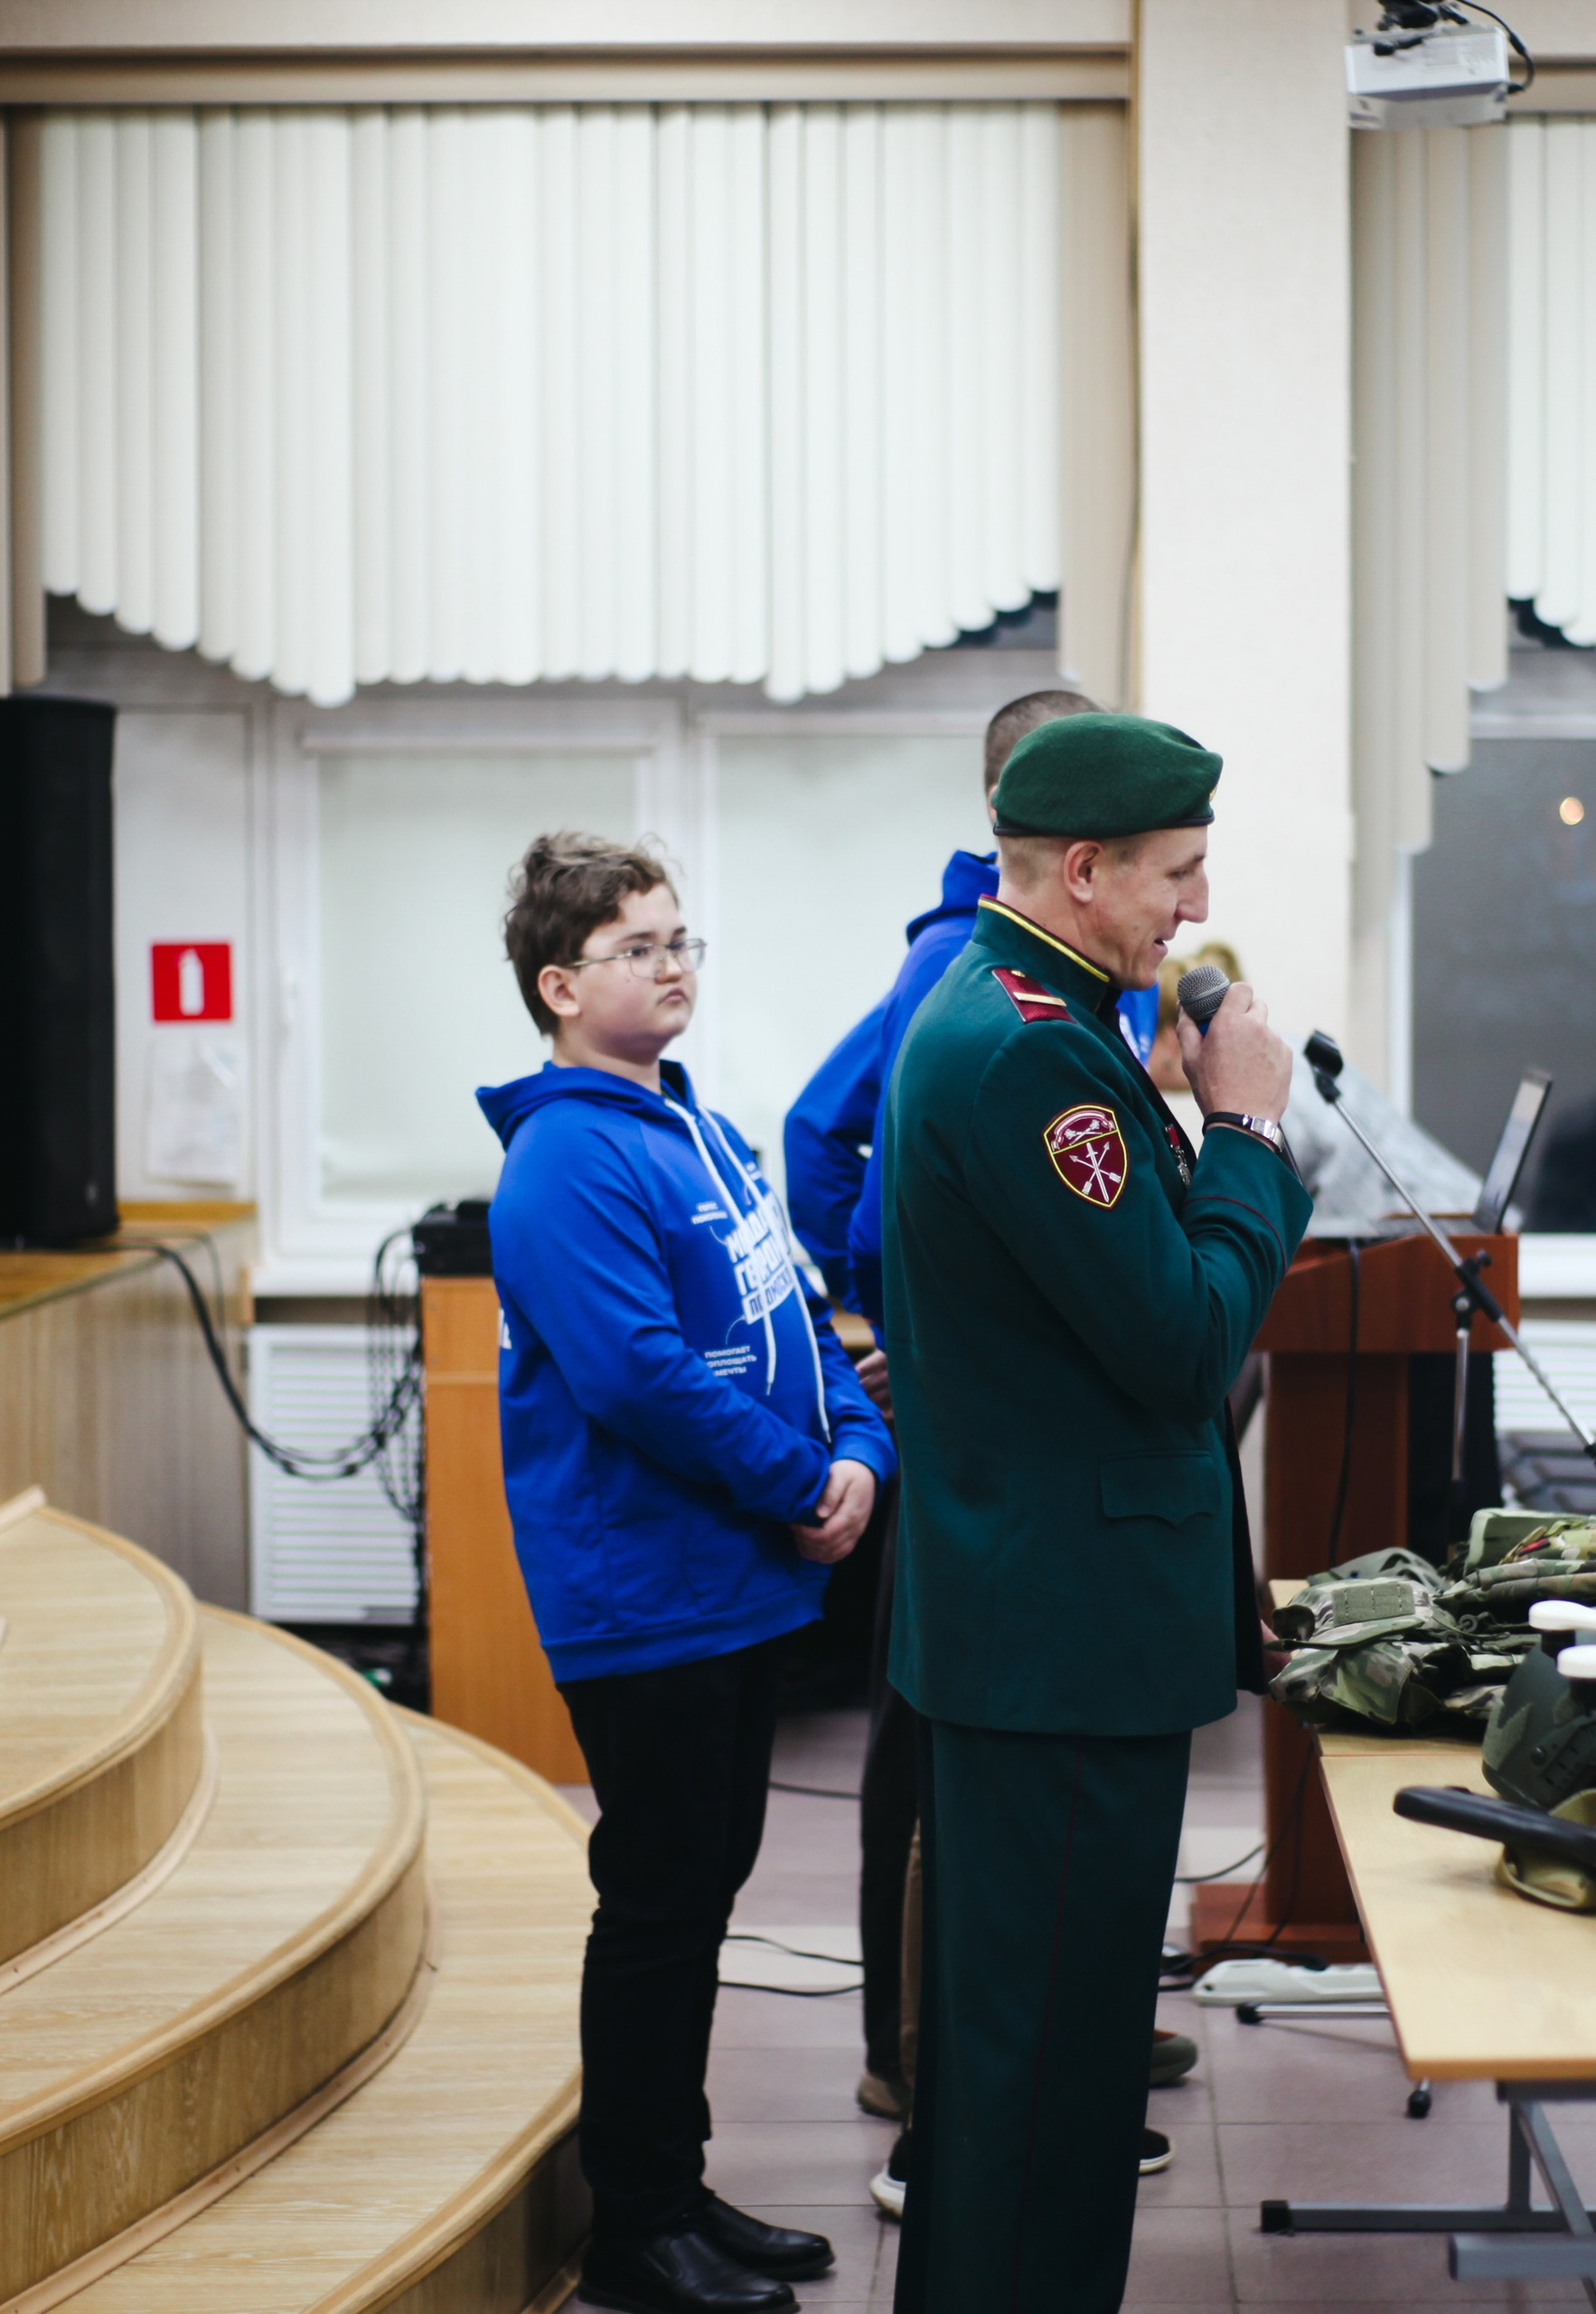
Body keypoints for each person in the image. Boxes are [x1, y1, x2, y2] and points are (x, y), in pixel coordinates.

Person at [882, 713, 1312, 2314]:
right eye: (1173, 877)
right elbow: (1184, 1338)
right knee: (1045, 2086)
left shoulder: (1030, 1015)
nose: (1192, 914)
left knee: (1034, 2073)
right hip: (1060, 1643)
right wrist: (1249, 1130)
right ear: (1082, 870)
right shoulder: (1029, 1052)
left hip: (1041, 1619)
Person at [478, 832, 895, 2314]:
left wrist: (858, 1447)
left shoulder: (701, 1132)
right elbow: (642, 1379)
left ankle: (676, 2184)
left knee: (705, 1888)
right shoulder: (565, 1160)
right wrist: (801, 1483)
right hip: (644, 1596)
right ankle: (634, 2231)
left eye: (679, 940)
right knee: (659, 1901)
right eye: (635, 947)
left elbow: (798, 1316)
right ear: (556, 984)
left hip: (736, 1582)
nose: (670, 965)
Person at [779, 688, 1190, 2148]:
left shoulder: (1062, 976)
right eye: (1167, 866)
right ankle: (924, 2059)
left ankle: (1060, 2029)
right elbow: (823, 1136)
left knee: (994, 1775)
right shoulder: (971, 972)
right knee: (937, 1757)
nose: (1185, 900)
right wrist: (878, 1313)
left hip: (1011, 1427)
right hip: (977, 1434)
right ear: (1066, 842)